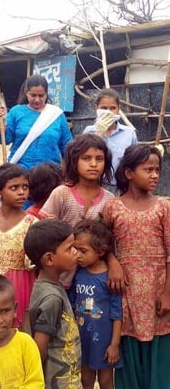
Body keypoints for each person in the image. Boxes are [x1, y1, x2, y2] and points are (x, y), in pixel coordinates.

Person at [101, 144, 170, 389]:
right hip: (126, 290)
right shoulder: (112, 207)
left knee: (160, 350)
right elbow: (102, 243)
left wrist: (167, 293)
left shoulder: (164, 206)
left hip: (156, 290)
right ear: (129, 173)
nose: (154, 175)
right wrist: (113, 262)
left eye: (157, 170)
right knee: (128, 346)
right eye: (148, 169)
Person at [41, 133, 124, 290]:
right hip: (60, 277)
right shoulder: (61, 194)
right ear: (74, 161)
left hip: (93, 280)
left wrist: (113, 262)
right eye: (86, 158)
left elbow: (108, 240)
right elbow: (46, 233)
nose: (93, 164)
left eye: (99, 159)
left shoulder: (109, 199)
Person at [0, 163, 37, 328]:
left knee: (19, 329)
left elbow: (36, 261)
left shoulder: (32, 224)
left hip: (22, 285)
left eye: (25, 187)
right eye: (14, 187)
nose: (21, 192)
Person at [24, 219, 82, 388]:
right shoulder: (52, 298)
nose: (76, 253)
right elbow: (39, 348)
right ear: (49, 259)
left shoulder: (48, 286)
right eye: (70, 248)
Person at [70, 219, 122, 389]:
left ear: (100, 251)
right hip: (82, 338)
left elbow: (117, 314)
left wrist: (114, 345)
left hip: (104, 341)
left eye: (83, 251)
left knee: (106, 380)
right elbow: (72, 305)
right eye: (75, 249)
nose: (77, 255)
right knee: (86, 379)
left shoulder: (110, 279)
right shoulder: (78, 274)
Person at [0, 74, 73, 171]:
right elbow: (5, 139)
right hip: (21, 172)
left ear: (47, 94)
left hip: (50, 173)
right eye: (33, 95)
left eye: (41, 96)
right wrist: (0, 124)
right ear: (26, 93)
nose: (37, 99)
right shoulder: (16, 112)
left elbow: (67, 146)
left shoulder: (57, 114)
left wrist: (72, 168)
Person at [82, 88, 138, 190]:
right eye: (104, 108)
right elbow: (82, 158)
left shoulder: (129, 134)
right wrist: (98, 134)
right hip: (94, 186)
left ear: (118, 109)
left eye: (112, 108)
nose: (108, 112)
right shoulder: (89, 132)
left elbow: (136, 163)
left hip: (121, 187)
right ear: (96, 108)